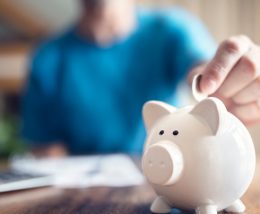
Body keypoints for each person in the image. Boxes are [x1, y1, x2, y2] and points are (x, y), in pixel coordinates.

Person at [22, 0, 260, 157]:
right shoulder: (47, 58)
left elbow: (200, 68)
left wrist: (222, 80)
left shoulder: (171, 29)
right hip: (83, 204)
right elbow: (47, 150)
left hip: (170, 179)